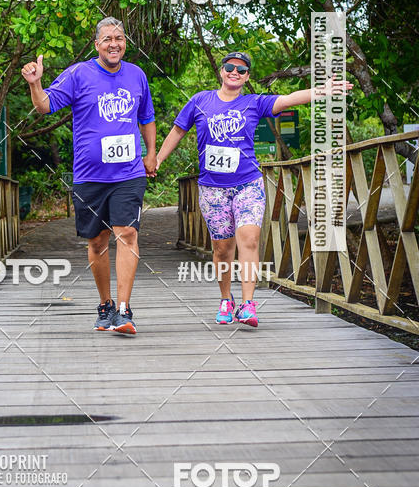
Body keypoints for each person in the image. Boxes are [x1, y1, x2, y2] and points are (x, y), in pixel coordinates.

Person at [155, 51, 352, 327]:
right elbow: (177, 130)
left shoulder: (254, 103)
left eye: (242, 70)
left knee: (249, 239)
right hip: (213, 189)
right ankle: (226, 299)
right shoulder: (200, 101)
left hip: (247, 183)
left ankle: (248, 304)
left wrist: (324, 91)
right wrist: (158, 158)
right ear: (221, 71)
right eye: (230, 67)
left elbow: (289, 99)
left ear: (247, 77)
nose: (235, 72)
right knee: (222, 249)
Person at [21, 17, 157, 336]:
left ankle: (124, 310)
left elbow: (147, 118)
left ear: (126, 43)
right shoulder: (79, 74)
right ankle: (106, 305)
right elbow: (44, 106)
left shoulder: (137, 75)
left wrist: (150, 153)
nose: (114, 43)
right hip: (90, 176)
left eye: (120, 38)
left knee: (127, 233)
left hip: (128, 173)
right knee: (97, 241)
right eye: (107, 38)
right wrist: (34, 83)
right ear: (97, 44)